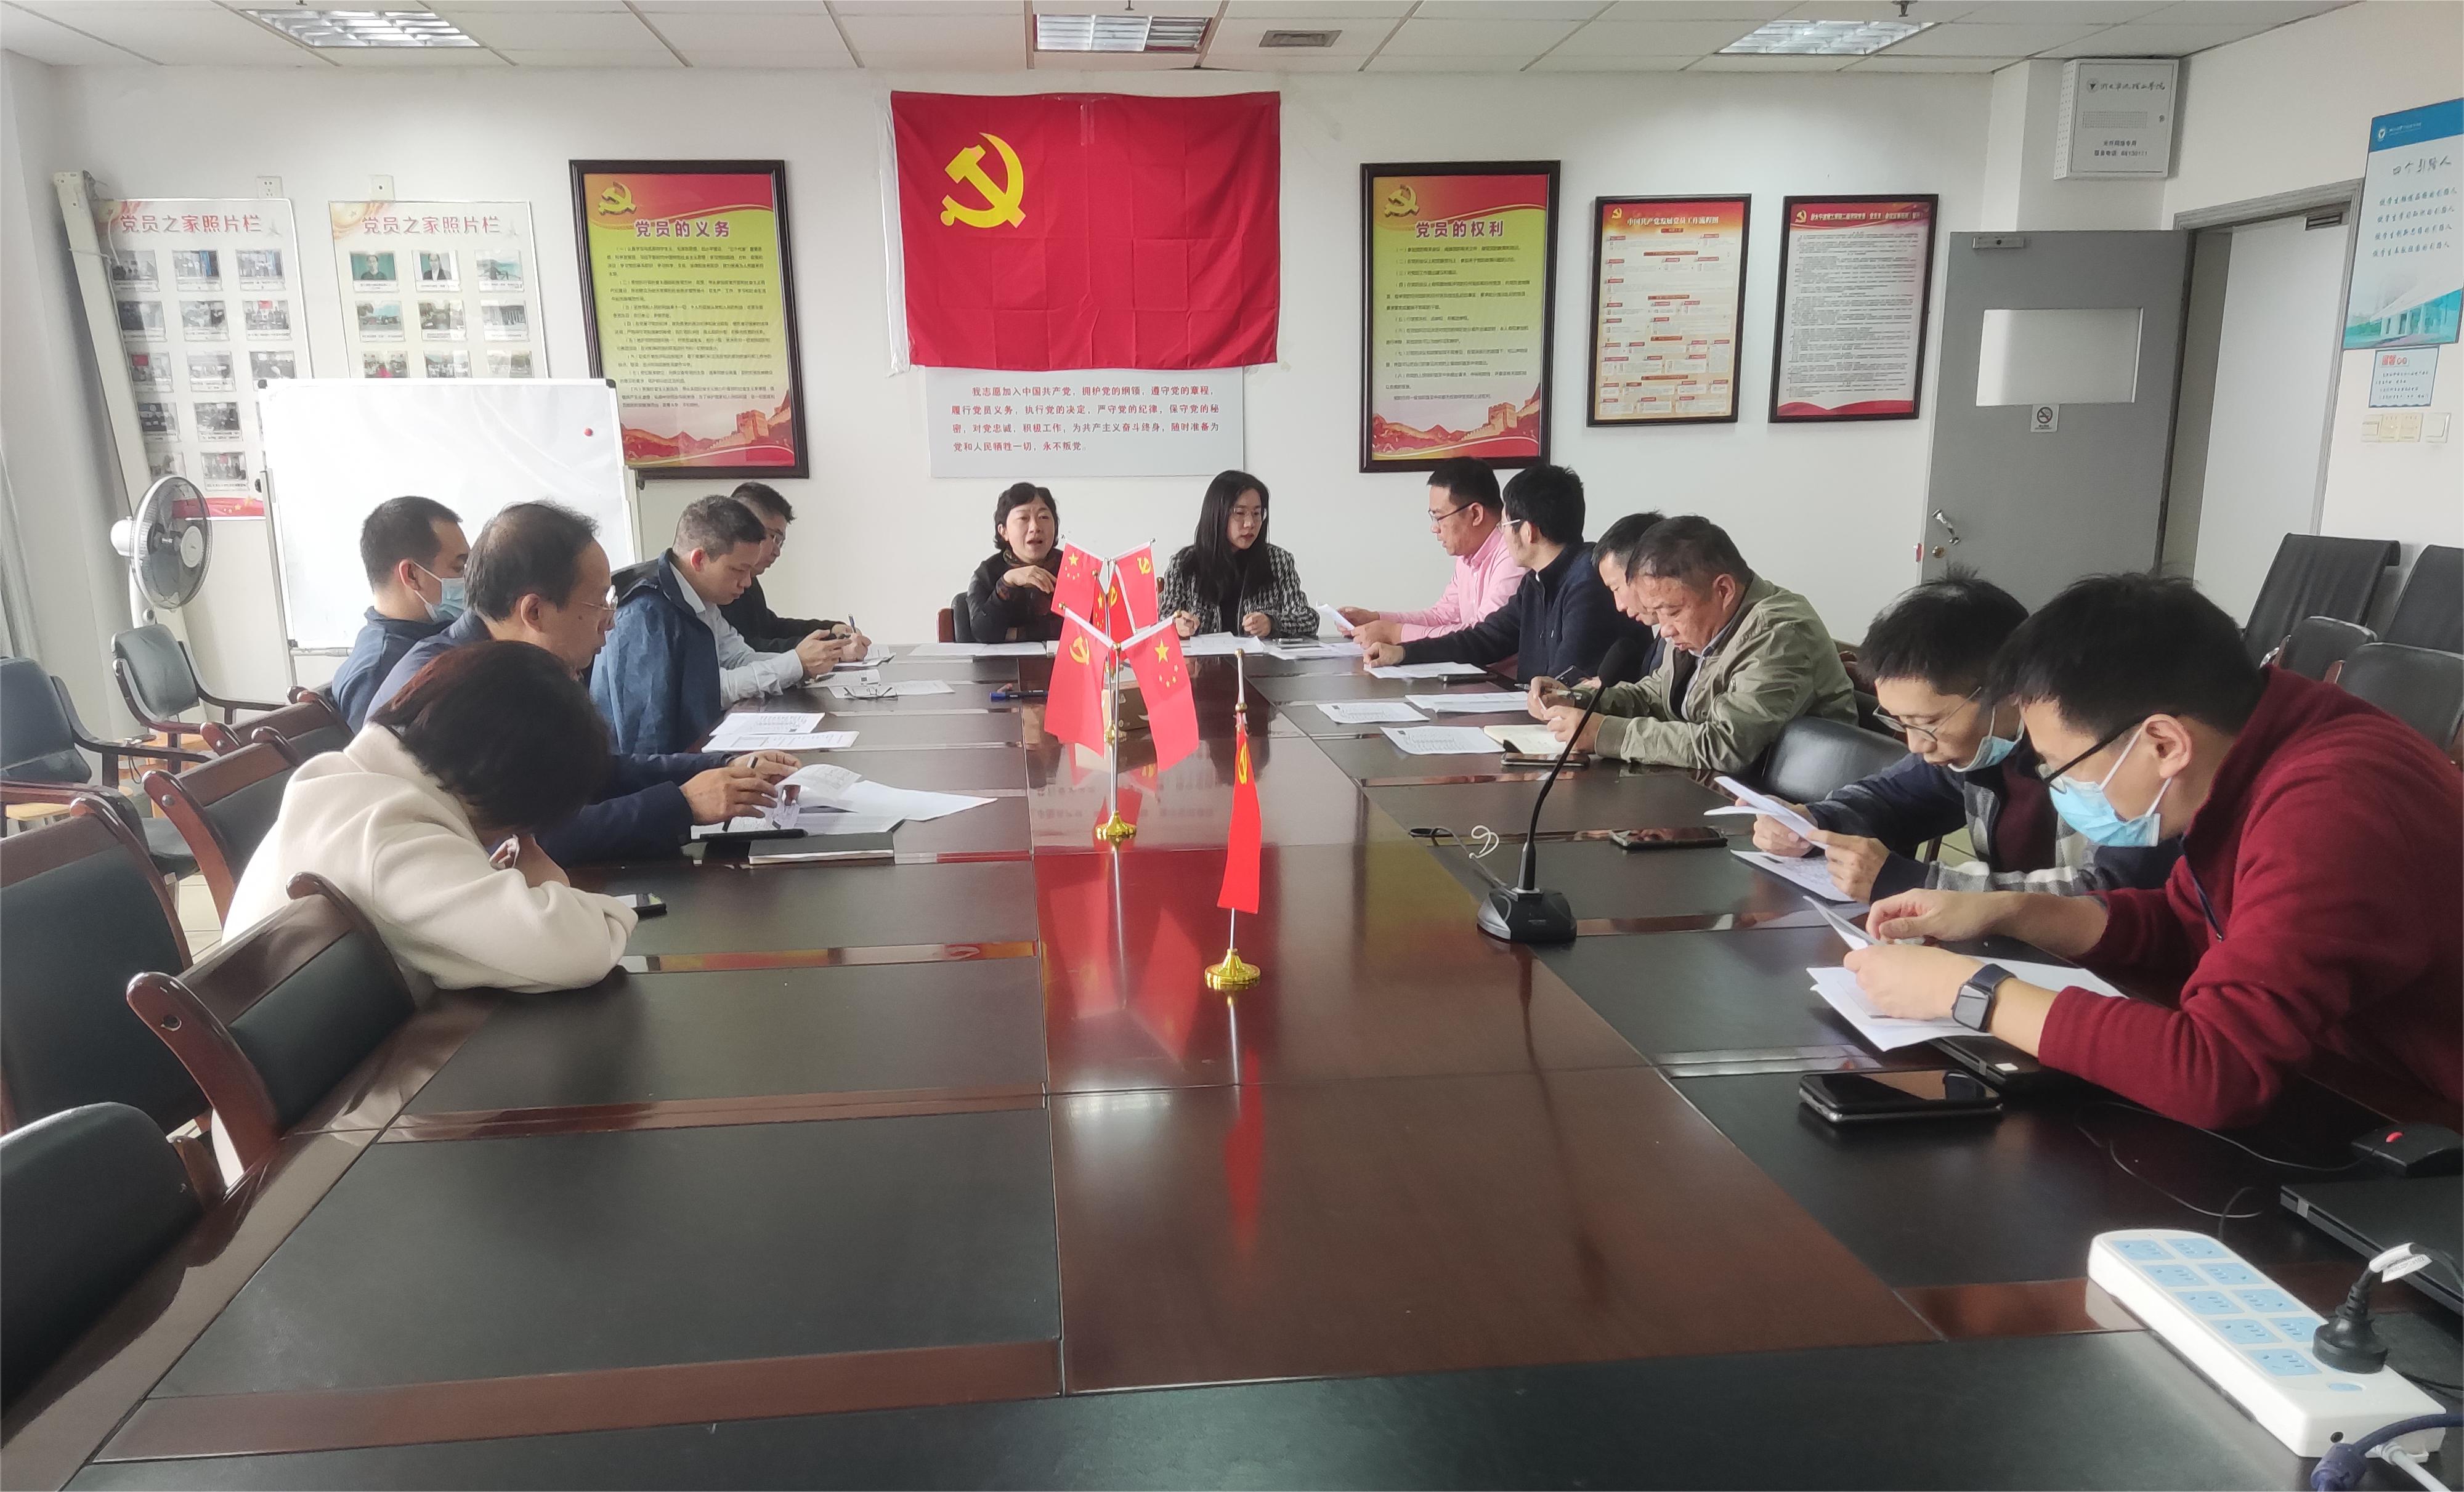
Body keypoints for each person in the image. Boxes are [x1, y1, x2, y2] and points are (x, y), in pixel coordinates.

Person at [1844, 574, 2462, 1130]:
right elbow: (2186, 923)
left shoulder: (2331, 805)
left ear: (2164, 743)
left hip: (2427, 1125)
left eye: (2060, 766)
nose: (2056, 786)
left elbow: (2217, 1071)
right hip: (2353, 1085)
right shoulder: (2255, 747)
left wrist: (1971, 991)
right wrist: (2009, 912)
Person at [371, 501, 791, 864]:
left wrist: (723, 766)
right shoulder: (453, 687)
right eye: (599, 603)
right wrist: (683, 804)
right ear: (534, 612)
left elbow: (595, 771)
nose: (611, 622)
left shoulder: (518, 666)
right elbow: (526, 838)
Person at [227, 642, 634, 994]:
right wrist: (551, 885)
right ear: (510, 790)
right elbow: (582, 951)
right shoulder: (390, 838)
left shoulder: (355, 782)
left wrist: (475, 869)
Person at [1747, 574, 2179, 902]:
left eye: (1927, 722)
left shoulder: (2105, 756)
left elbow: (2111, 895)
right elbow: (1891, 798)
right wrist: (1815, 824)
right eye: (1901, 722)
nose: (1916, 744)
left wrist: (1918, 882)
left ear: (2005, 691)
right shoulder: (1979, 752)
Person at [1533, 515, 1855, 769]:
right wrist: (1577, 700)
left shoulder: (1779, 635)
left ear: (1724, 590)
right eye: (1659, 612)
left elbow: (1727, 745)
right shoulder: (1699, 626)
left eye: (1672, 612)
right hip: (1707, 787)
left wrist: (1606, 734)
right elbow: (1655, 697)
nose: (1665, 629)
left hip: (1786, 809)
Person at [594, 496, 854, 756]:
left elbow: (739, 658)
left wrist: (803, 664)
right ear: (699, 560)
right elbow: (706, 694)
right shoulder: (646, 613)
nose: (747, 583)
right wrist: (796, 664)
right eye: (739, 570)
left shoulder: (699, 596)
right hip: (654, 767)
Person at [1362, 464, 1644, 686]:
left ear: (1528, 532)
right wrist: (1405, 653)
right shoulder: (1535, 582)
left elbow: (1565, 685)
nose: (1501, 534)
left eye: (1505, 525)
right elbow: (1484, 639)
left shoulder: (1590, 584)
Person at [1334, 458, 1525, 647]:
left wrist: (1396, 634)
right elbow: (1442, 617)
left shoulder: (1513, 556)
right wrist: (1376, 619)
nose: (1434, 528)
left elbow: (1482, 634)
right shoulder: (1467, 556)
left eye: (1439, 517)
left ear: (1475, 514)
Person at [328, 496, 467, 731]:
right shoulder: (378, 673)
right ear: (412, 575)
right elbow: (380, 752)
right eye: (459, 568)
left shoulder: (437, 634)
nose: (468, 579)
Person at [1161, 471, 1315, 639]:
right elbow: (1163, 622)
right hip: (1203, 658)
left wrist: (1272, 623)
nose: (1250, 524)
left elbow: (1309, 620)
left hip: (1260, 657)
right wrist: (1177, 625)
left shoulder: (1278, 561)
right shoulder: (1184, 564)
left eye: (1256, 514)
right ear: (1217, 514)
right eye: (1240, 513)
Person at [721, 481, 857, 654]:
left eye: (781, 542)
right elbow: (743, 651)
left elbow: (772, 628)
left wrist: (830, 630)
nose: (777, 551)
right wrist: (830, 646)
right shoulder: (719, 584)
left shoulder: (749, 580)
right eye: (774, 538)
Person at [965, 482, 1064, 643]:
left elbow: (1083, 629)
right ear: (1003, 531)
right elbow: (982, 633)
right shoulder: (988, 573)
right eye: (1023, 518)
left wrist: (1014, 634)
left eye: (1044, 517)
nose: (1035, 527)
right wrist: (1008, 582)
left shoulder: (1072, 569)